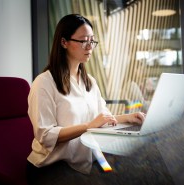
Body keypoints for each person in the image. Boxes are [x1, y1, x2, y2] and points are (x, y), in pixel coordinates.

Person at [26, 14, 146, 184]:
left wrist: (128, 118)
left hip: (84, 160)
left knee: (133, 170)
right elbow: (45, 135)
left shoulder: (89, 81)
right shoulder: (44, 83)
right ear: (64, 42)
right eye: (83, 41)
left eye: (92, 40)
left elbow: (102, 119)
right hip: (51, 166)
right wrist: (88, 126)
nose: (90, 46)